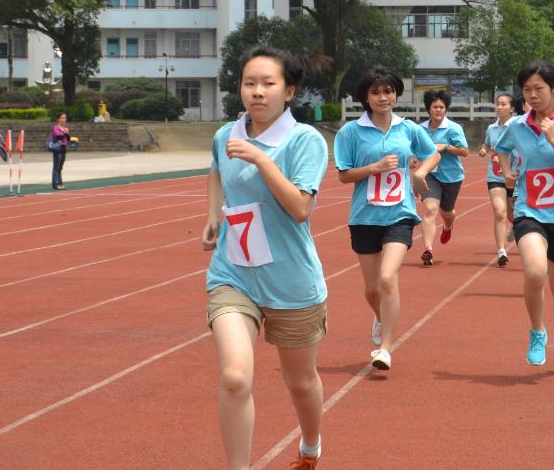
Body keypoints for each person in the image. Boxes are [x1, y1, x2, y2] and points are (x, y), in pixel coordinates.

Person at [201, 46, 329, 470]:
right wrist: (213, 216)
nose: (257, 92)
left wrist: (260, 157)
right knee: (236, 377)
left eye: (268, 84)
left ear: (289, 91)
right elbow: (217, 170)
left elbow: (300, 208)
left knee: (301, 381)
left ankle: (310, 444)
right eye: (249, 83)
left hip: (290, 280)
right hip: (234, 274)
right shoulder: (226, 135)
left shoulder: (305, 141)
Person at [334, 65, 439, 371]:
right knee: (371, 289)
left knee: (387, 278)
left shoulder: (408, 129)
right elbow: (343, 175)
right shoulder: (350, 133)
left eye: (389, 91)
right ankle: (380, 316)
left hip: (399, 213)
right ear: (365, 97)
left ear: (396, 94)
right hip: (365, 216)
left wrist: (419, 172)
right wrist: (373, 169)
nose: (384, 97)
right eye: (376, 92)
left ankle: (386, 347)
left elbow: (432, 154)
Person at [494, 60, 554, 375]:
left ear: (553, 88)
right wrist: (509, 173)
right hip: (529, 211)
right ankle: (537, 331)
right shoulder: (517, 125)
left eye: (539, 88)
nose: (533, 95)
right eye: (527, 90)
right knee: (535, 272)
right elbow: (502, 149)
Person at [417, 89, 469, 267]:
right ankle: (428, 250)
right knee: (430, 209)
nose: (438, 110)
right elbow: (413, 148)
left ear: (446, 109)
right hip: (430, 174)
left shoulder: (453, 128)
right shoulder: (420, 129)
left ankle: (448, 225)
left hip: (451, 176)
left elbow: (465, 151)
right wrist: (411, 157)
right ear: (428, 109)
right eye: (435, 107)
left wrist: (445, 146)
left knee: (447, 212)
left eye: (441, 107)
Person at [479, 93, 515, 267]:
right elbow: (487, 144)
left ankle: (515, 226)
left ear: (512, 108)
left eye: (504, 104)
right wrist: (484, 149)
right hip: (495, 176)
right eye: (498, 104)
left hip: (515, 176)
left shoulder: (517, 127)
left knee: (512, 215)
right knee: (499, 212)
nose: (499, 107)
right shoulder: (491, 129)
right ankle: (501, 250)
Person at [51, 112, 71, 190]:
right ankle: (55, 184)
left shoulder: (65, 128)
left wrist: (67, 134)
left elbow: (68, 139)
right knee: (56, 167)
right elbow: (57, 137)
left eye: (64, 118)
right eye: (62, 118)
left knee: (60, 167)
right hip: (57, 148)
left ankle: (60, 182)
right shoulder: (56, 127)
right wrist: (64, 133)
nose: (63, 120)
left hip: (63, 147)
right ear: (58, 119)